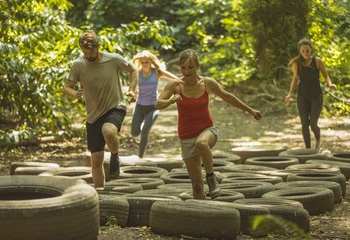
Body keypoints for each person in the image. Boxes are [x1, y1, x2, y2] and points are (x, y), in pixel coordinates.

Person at [155, 49, 262, 200]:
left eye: (191, 67)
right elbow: (158, 104)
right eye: (183, 67)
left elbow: (227, 97)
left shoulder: (207, 83)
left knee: (202, 143)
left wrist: (250, 110)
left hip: (207, 130)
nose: (187, 71)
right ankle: (204, 217)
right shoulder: (175, 85)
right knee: (197, 187)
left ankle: (211, 178)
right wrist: (170, 101)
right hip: (186, 136)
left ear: (197, 66)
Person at [64, 29, 138, 188]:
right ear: (81, 49)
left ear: (98, 47)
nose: (90, 56)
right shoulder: (78, 65)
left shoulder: (113, 59)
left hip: (115, 106)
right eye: (86, 53)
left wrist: (132, 89)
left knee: (109, 131)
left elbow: (133, 70)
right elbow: (67, 88)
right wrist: (74, 94)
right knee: (96, 160)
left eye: (93, 52)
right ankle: (100, 193)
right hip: (93, 115)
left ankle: (115, 157)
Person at [285, 38, 337, 149]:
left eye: (307, 51)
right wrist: (290, 94)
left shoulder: (317, 61)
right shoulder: (296, 63)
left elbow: (325, 75)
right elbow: (295, 79)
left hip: (316, 95)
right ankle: (308, 149)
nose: (305, 53)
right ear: (300, 51)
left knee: (313, 123)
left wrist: (330, 84)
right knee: (304, 124)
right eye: (303, 51)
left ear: (311, 50)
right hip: (302, 96)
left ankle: (318, 138)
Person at [130, 50, 180, 158]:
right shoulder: (137, 73)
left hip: (154, 106)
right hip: (139, 106)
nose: (144, 64)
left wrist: (185, 83)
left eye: (146, 62)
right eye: (142, 62)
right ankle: (141, 129)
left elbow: (175, 79)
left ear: (151, 62)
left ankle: (140, 157)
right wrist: (133, 94)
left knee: (144, 133)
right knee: (134, 133)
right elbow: (133, 87)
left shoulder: (157, 72)